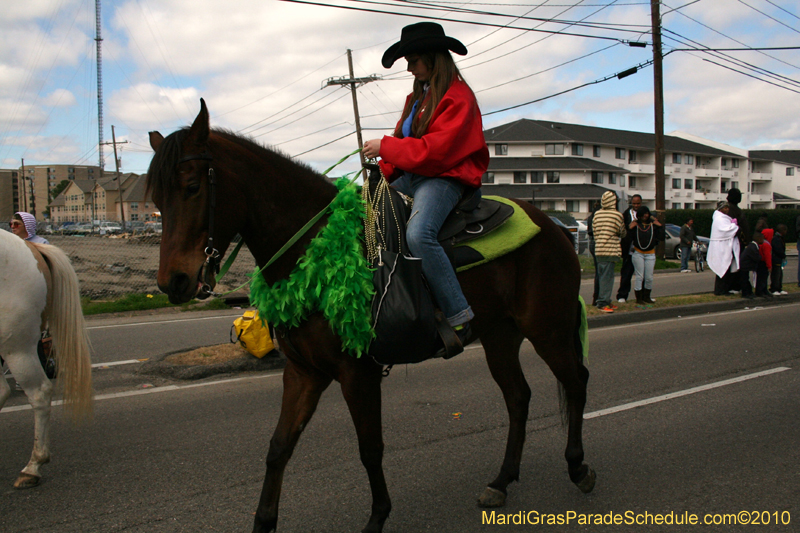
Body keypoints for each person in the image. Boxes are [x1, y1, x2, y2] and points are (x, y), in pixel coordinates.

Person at [363, 22, 489, 357]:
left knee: (419, 234)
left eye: (414, 60)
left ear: (435, 58)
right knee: (366, 215)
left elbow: (436, 152)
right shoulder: (418, 97)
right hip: (417, 174)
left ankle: (460, 316)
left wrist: (386, 147)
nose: (409, 68)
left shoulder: (459, 97)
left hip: (445, 176)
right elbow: (404, 145)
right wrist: (382, 170)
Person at [591, 191, 626, 313]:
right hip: (610, 249)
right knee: (608, 278)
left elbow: (594, 231)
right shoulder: (617, 215)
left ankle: (605, 299)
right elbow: (622, 232)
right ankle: (603, 302)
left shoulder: (597, 214)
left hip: (599, 248)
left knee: (601, 276)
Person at [629, 206, 663, 304]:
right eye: (643, 214)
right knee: (639, 276)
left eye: (647, 213)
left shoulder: (652, 225)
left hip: (650, 254)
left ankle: (647, 296)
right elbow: (628, 235)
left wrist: (659, 225)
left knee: (649, 277)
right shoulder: (636, 225)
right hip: (638, 253)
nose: (645, 216)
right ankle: (639, 298)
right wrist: (629, 227)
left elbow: (661, 237)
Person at [708, 201, 740, 293]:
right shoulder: (719, 219)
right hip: (721, 247)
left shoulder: (725, 218)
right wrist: (734, 226)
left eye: (728, 208)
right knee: (722, 269)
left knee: (727, 269)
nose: (727, 209)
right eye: (725, 208)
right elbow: (726, 230)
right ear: (720, 209)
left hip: (725, 246)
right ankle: (720, 290)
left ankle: (725, 289)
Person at [615, 194, 641, 303]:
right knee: (626, 274)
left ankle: (643, 296)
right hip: (629, 249)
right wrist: (629, 227)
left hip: (642, 249)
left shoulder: (645, 214)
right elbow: (621, 230)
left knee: (643, 275)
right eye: (634, 203)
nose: (636, 205)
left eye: (638, 203)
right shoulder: (626, 215)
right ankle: (622, 295)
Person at [586, 201, 601, 306]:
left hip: (592, 242)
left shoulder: (591, 217)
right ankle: (598, 297)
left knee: (598, 272)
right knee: (601, 272)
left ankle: (596, 297)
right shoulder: (599, 215)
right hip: (598, 242)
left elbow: (590, 231)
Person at [739, 232, 762, 300]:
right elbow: (756, 257)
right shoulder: (753, 247)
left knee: (745, 279)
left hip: (745, 265)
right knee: (744, 280)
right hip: (745, 266)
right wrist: (761, 257)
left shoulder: (752, 246)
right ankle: (745, 293)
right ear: (759, 239)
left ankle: (748, 292)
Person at [770, 224, 788, 295]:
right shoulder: (776, 239)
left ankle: (779, 288)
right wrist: (783, 255)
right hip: (776, 259)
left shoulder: (779, 238)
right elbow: (778, 249)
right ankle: (774, 289)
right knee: (776, 275)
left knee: (779, 274)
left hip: (779, 259)